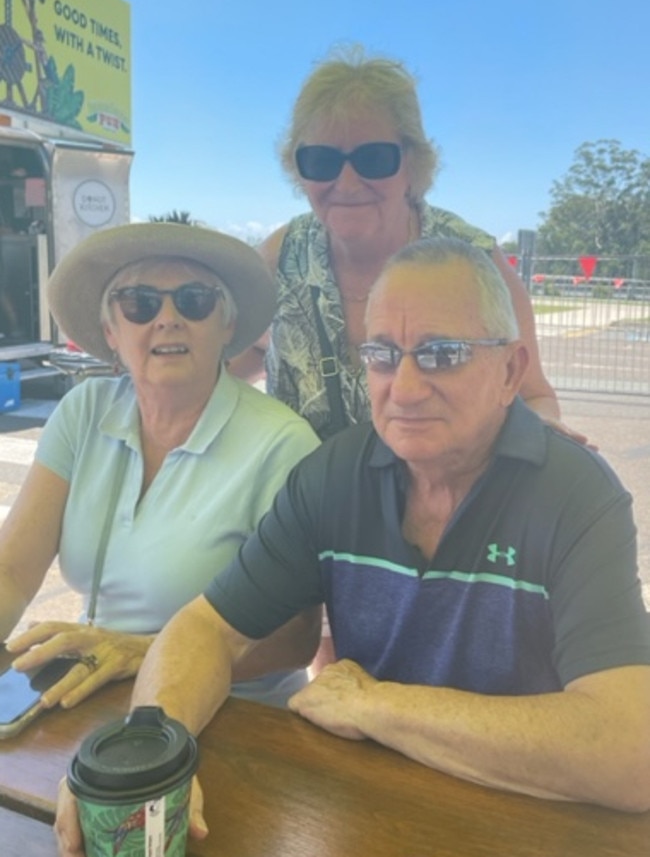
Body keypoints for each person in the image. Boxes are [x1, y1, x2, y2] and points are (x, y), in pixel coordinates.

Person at [55, 236, 650, 856]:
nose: (406, 386)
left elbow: (629, 748)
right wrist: (153, 755)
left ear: (509, 370)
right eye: (382, 354)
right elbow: (207, 628)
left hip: (526, 825)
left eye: (442, 353)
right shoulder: (335, 474)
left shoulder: (575, 493)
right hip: (364, 815)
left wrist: (378, 707)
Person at [0, 221, 320, 712]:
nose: (167, 318)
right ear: (111, 329)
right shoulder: (84, 411)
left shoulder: (282, 443)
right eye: (140, 303)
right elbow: (14, 571)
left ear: (227, 325)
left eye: (194, 300)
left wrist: (142, 655)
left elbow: (296, 640)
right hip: (98, 694)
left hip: (237, 715)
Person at [230, 44, 573, 444]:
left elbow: (533, 395)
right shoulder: (281, 258)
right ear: (297, 167)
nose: (347, 183)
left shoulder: (473, 259)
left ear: (412, 162)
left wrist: (543, 441)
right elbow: (246, 355)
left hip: (443, 500)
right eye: (322, 160)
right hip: (310, 503)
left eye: (373, 158)